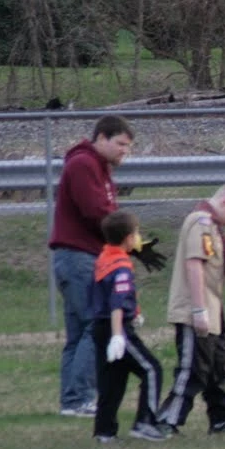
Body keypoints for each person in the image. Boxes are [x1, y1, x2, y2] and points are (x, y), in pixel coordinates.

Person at [48, 115, 165, 417]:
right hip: (80, 257)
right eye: (120, 144)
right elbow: (98, 213)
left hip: (80, 256)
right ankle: (80, 398)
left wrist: (132, 245)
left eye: (129, 146)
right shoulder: (83, 165)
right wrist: (132, 243)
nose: (125, 151)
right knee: (94, 326)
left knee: (79, 332)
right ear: (101, 138)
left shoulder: (97, 166)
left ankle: (72, 400)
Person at [157, 182, 225, 434]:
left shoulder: (212, 225)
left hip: (213, 308)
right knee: (193, 368)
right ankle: (166, 420)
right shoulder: (201, 222)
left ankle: (220, 419)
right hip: (195, 310)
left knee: (218, 366)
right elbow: (195, 265)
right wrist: (198, 310)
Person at [89, 209, 166, 444]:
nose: (139, 237)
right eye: (137, 233)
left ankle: (105, 432)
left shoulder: (105, 256)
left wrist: (136, 312)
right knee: (151, 369)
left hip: (99, 326)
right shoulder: (121, 266)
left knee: (112, 381)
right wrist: (118, 336)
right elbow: (117, 302)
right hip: (116, 327)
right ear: (129, 238)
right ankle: (145, 423)